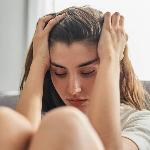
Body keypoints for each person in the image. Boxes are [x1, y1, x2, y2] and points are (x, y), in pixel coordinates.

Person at [0, 6, 150, 150]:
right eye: (59, 72)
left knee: (68, 122)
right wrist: (38, 60)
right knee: (5, 120)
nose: (73, 89)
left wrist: (110, 58)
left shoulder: (139, 122)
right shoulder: (39, 120)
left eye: (87, 72)